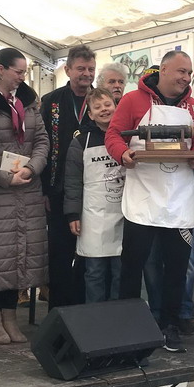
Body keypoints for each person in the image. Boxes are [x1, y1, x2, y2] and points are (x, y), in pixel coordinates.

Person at [105, 50, 194, 353]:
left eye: (189, 73)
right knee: (132, 265)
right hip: (143, 197)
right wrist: (123, 153)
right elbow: (114, 135)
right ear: (163, 70)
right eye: (181, 71)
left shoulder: (193, 107)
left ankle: (170, 325)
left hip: (179, 198)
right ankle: (127, 326)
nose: (186, 78)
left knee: (176, 267)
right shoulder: (133, 101)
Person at [0, 48, 49, 344]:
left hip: (27, 188)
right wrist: (3, 176)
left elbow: (42, 140)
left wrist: (31, 168)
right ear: (0, 70)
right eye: (19, 71)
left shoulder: (28, 102)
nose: (23, 77)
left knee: (20, 255)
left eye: (25, 72)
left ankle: (10, 317)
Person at [40, 45, 96, 309]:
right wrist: (43, 190)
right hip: (57, 189)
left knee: (89, 254)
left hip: (94, 191)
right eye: (81, 68)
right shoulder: (51, 101)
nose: (86, 74)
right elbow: (40, 146)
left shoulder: (101, 100)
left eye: (91, 69)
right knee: (60, 253)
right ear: (68, 69)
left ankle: (84, 310)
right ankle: (58, 313)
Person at [63, 88, 125, 303]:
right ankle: (95, 316)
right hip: (93, 217)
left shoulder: (128, 137)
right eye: (97, 107)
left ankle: (119, 316)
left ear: (116, 106)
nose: (104, 110)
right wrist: (73, 214)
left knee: (121, 271)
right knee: (94, 272)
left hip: (125, 214)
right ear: (90, 114)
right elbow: (72, 181)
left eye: (107, 104)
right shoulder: (80, 142)